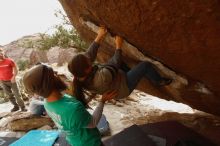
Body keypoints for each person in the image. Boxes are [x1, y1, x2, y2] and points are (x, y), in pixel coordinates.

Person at [68, 27, 172, 107]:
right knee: (145, 66)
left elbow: (89, 55)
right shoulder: (101, 78)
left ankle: (133, 72)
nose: (88, 59)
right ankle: (158, 81)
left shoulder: (79, 74)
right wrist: (118, 45)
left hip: (115, 79)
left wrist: (99, 36)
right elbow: (114, 63)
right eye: (88, 62)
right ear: (87, 69)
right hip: (123, 87)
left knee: (122, 64)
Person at [23, 63, 116, 146]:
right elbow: (93, 122)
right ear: (49, 83)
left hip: (76, 141)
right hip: (90, 142)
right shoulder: (72, 109)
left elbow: (73, 116)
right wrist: (102, 101)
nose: (57, 74)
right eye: (54, 74)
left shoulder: (47, 104)